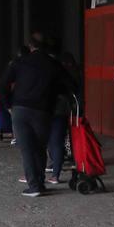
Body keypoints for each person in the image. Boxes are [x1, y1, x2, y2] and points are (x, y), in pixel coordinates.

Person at [0, 33, 76, 197]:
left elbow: (3, 86)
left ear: (30, 45)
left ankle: (33, 186)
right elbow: (71, 85)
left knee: (27, 149)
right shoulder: (54, 64)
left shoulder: (19, 62)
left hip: (20, 109)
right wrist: (55, 93)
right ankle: (40, 183)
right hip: (43, 111)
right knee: (40, 147)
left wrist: (8, 106)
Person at [47, 52, 81, 185]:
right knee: (57, 141)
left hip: (50, 110)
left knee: (52, 141)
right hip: (61, 109)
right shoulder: (65, 73)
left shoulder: (49, 74)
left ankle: (54, 169)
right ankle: (55, 171)